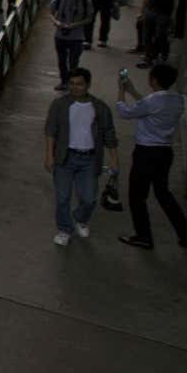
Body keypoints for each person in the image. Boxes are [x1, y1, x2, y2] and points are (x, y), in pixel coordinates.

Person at [116, 64, 187, 250]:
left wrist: (122, 92)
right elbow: (148, 108)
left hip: (146, 152)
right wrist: (133, 91)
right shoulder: (177, 100)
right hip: (164, 153)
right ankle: (186, 236)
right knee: (163, 194)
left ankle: (143, 236)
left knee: (137, 196)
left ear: (153, 79)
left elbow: (125, 112)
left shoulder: (152, 101)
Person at [42, 68, 120, 246]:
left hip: (89, 160)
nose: (75, 88)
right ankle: (64, 229)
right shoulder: (59, 105)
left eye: (79, 84)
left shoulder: (99, 108)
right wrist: (49, 155)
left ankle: (80, 218)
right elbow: (50, 130)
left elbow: (109, 134)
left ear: (88, 85)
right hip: (65, 158)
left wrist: (114, 160)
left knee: (89, 198)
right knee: (62, 198)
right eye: (71, 84)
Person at [49, 0, 95, 91]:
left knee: (74, 61)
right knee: (62, 60)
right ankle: (64, 81)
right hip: (60, 35)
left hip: (77, 36)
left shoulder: (85, 1)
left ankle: (72, 83)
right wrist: (57, 22)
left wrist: (76, 25)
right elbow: (50, 12)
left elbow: (89, 18)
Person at [136, 0, 179, 69]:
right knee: (147, 35)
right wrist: (142, 10)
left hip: (164, 12)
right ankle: (149, 58)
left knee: (161, 35)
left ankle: (162, 56)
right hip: (151, 9)